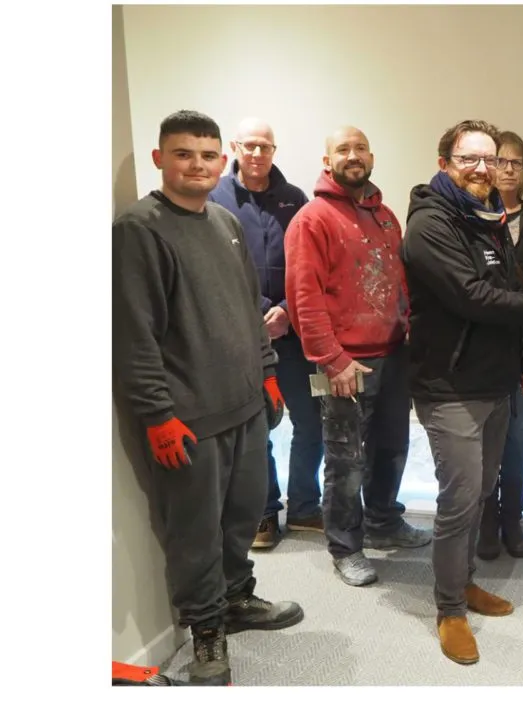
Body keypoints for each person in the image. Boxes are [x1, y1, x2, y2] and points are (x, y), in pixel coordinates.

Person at [111, 110, 304, 685]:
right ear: (159, 159)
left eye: (205, 154)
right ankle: (205, 632)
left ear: (222, 161)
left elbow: (249, 308)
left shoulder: (225, 222)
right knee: (194, 532)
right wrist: (157, 415)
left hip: (245, 405)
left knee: (243, 515)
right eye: (182, 153)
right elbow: (134, 334)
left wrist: (268, 374)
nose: (196, 164)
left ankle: (237, 599)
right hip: (188, 420)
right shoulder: (139, 229)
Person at [401, 119, 523, 665]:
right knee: (458, 500)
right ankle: (449, 610)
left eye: (490, 159)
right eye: (469, 158)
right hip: (449, 386)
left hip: (494, 382)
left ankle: (465, 584)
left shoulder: (486, 217)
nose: (482, 169)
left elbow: (507, 288)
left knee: (480, 494)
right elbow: (471, 296)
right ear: (444, 161)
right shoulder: (429, 224)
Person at [284, 126, 431, 588]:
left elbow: (401, 284)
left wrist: (409, 332)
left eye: (360, 148)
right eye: (343, 149)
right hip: (343, 364)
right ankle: (346, 546)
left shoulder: (386, 216)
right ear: (328, 161)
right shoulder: (312, 219)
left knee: (391, 449)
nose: (353, 155)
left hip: (392, 356)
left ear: (371, 156)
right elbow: (303, 298)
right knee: (346, 460)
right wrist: (332, 359)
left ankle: (385, 519)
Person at [208, 117, 323, 550]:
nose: (258, 154)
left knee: (312, 422)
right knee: (257, 429)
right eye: (251, 145)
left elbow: (310, 262)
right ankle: (264, 513)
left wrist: (289, 311)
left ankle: (307, 506)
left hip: (294, 334)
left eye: (266, 147)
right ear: (235, 147)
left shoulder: (294, 199)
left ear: (275, 151)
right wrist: (261, 314)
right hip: (241, 335)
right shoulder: (215, 198)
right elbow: (217, 268)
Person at [475, 130, 523, 561]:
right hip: (483, 352)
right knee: (487, 440)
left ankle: (512, 519)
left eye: (515, 162)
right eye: (499, 161)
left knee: (519, 438)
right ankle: (487, 520)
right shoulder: (469, 217)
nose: (506, 169)